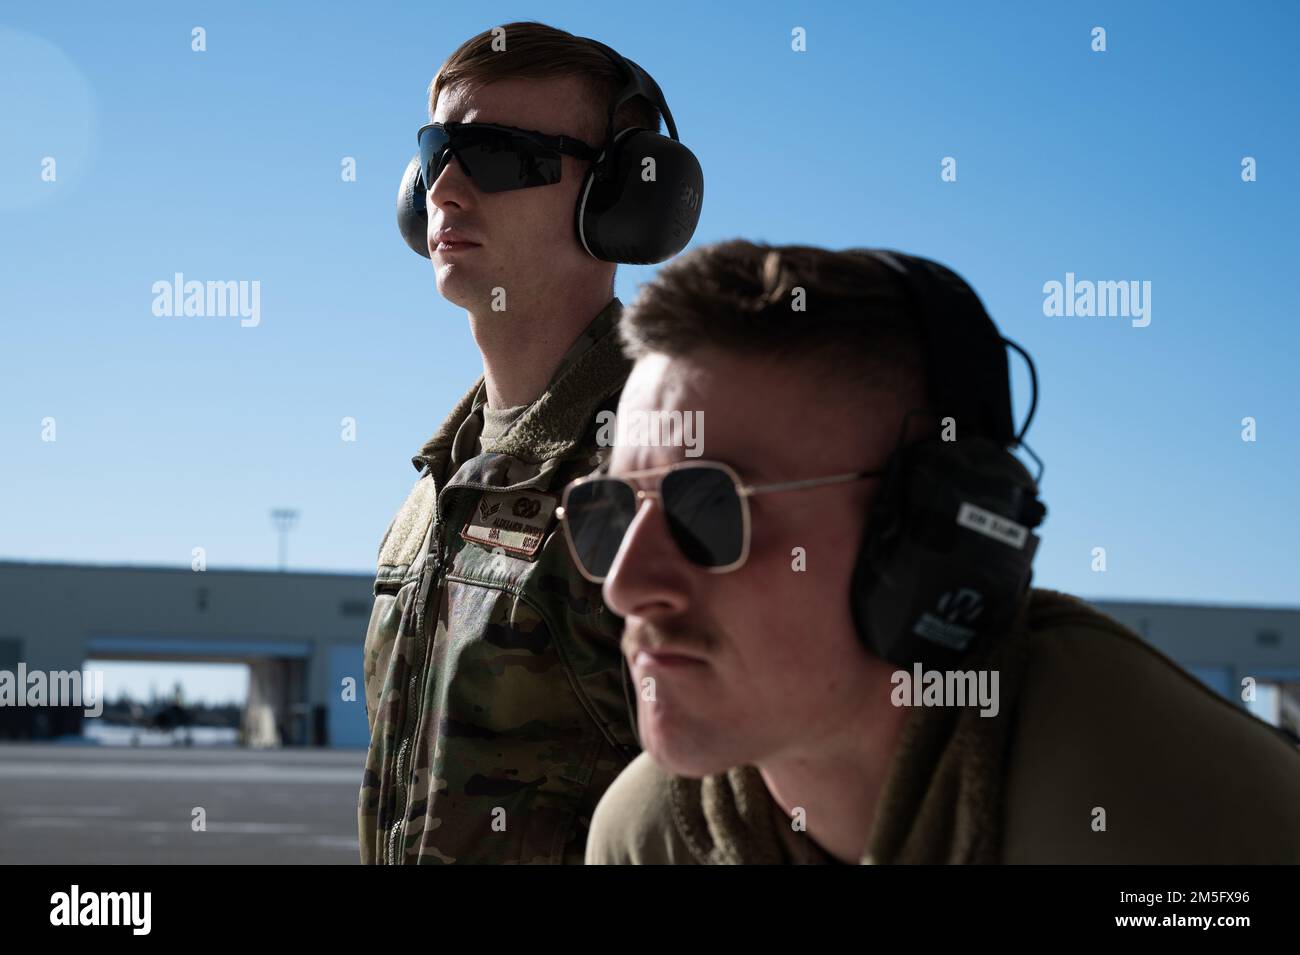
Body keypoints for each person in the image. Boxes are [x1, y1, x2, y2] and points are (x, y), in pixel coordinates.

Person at [565, 240, 1300, 864]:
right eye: (613, 510)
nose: (625, 585)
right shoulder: (651, 835)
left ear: (941, 537)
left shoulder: (1176, 831)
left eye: (711, 508)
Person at [359, 21, 702, 864]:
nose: (445, 186)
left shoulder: (663, 468)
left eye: (499, 154)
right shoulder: (439, 481)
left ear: (620, 201)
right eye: (437, 150)